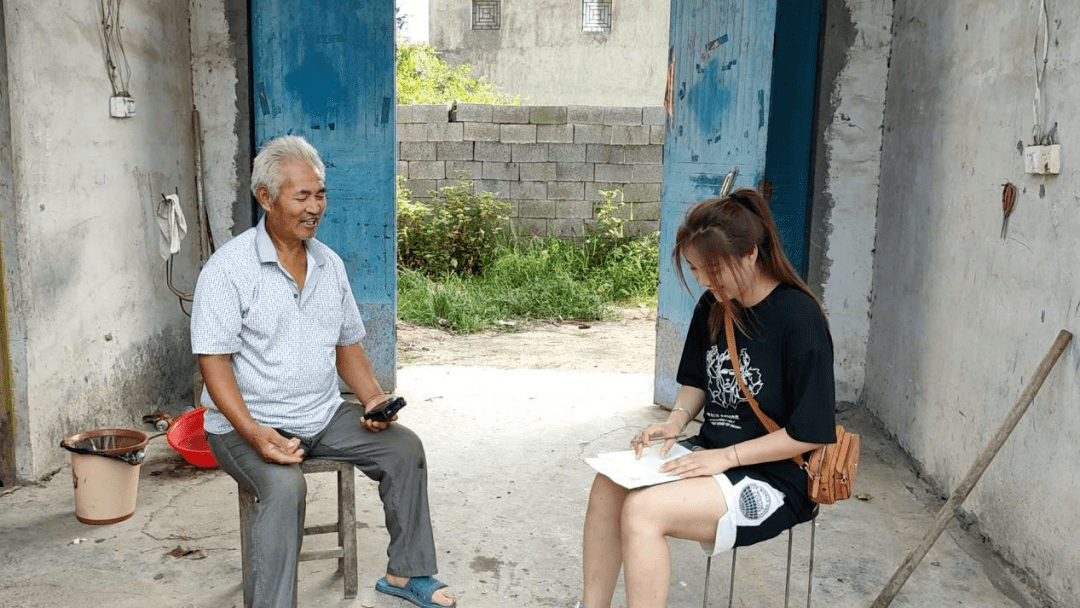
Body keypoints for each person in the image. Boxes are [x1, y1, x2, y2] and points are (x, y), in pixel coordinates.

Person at [191, 135, 456, 608]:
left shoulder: (328, 264)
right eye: (302, 196)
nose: (315, 207)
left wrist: (374, 399)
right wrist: (253, 432)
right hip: (243, 425)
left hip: (321, 414)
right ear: (266, 198)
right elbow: (214, 363)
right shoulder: (227, 269)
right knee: (283, 487)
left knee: (403, 449)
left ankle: (407, 573)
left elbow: (347, 343)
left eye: (320, 194)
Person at [576, 188, 836, 608]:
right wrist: (676, 421)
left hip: (776, 473)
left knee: (644, 511)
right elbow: (697, 381)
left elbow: (810, 432)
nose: (702, 280)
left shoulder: (799, 318)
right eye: (696, 269)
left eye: (712, 269)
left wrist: (726, 458)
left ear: (751, 254)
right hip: (712, 453)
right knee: (608, 486)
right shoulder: (714, 305)